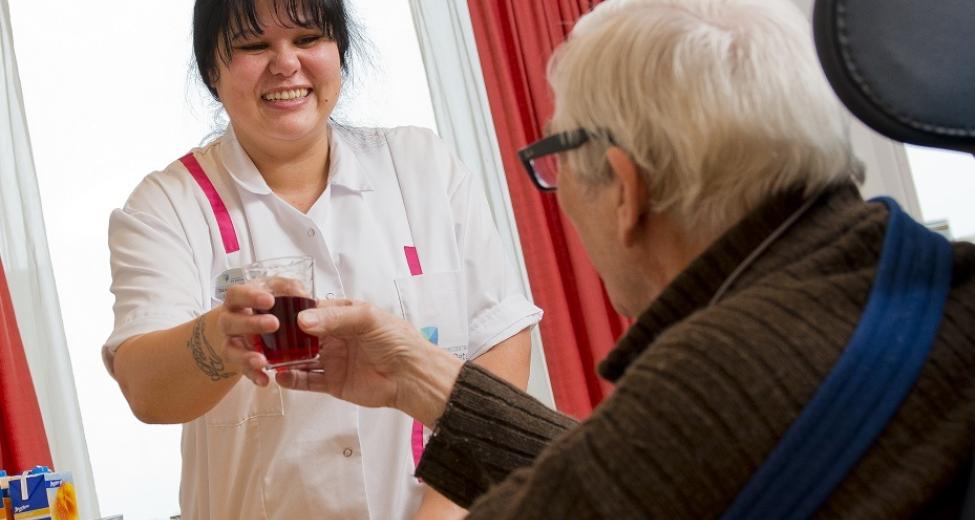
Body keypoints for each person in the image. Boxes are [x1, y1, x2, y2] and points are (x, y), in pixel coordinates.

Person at [263, 0, 975, 517]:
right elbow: (644, 476)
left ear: (626, 188)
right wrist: (421, 375)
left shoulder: (711, 385)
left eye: (553, 160)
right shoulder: (931, 286)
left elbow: (643, 464)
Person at [103, 0, 540, 518]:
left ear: (340, 52)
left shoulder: (421, 166)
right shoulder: (168, 204)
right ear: (210, 71)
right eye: (253, 44)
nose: (285, 64)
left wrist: (442, 508)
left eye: (308, 39)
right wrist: (221, 338)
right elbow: (147, 390)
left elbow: (500, 342)